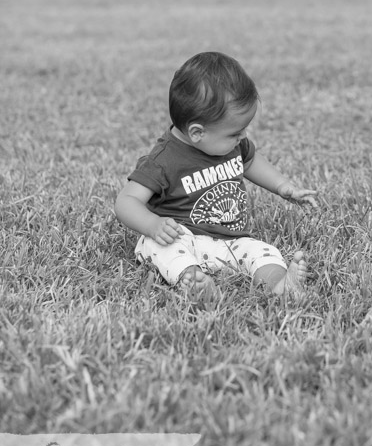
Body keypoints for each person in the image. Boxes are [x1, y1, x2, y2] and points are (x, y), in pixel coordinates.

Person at [115, 51, 317, 302]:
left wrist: (283, 186)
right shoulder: (163, 160)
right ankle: (194, 280)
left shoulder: (231, 144)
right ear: (197, 133)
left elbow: (250, 160)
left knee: (262, 251)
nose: (242, 137)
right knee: (157, 247)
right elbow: (126, 201)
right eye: (235, 133)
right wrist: (153, 225)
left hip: (231, 241)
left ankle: (281, 284)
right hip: (182, 238)